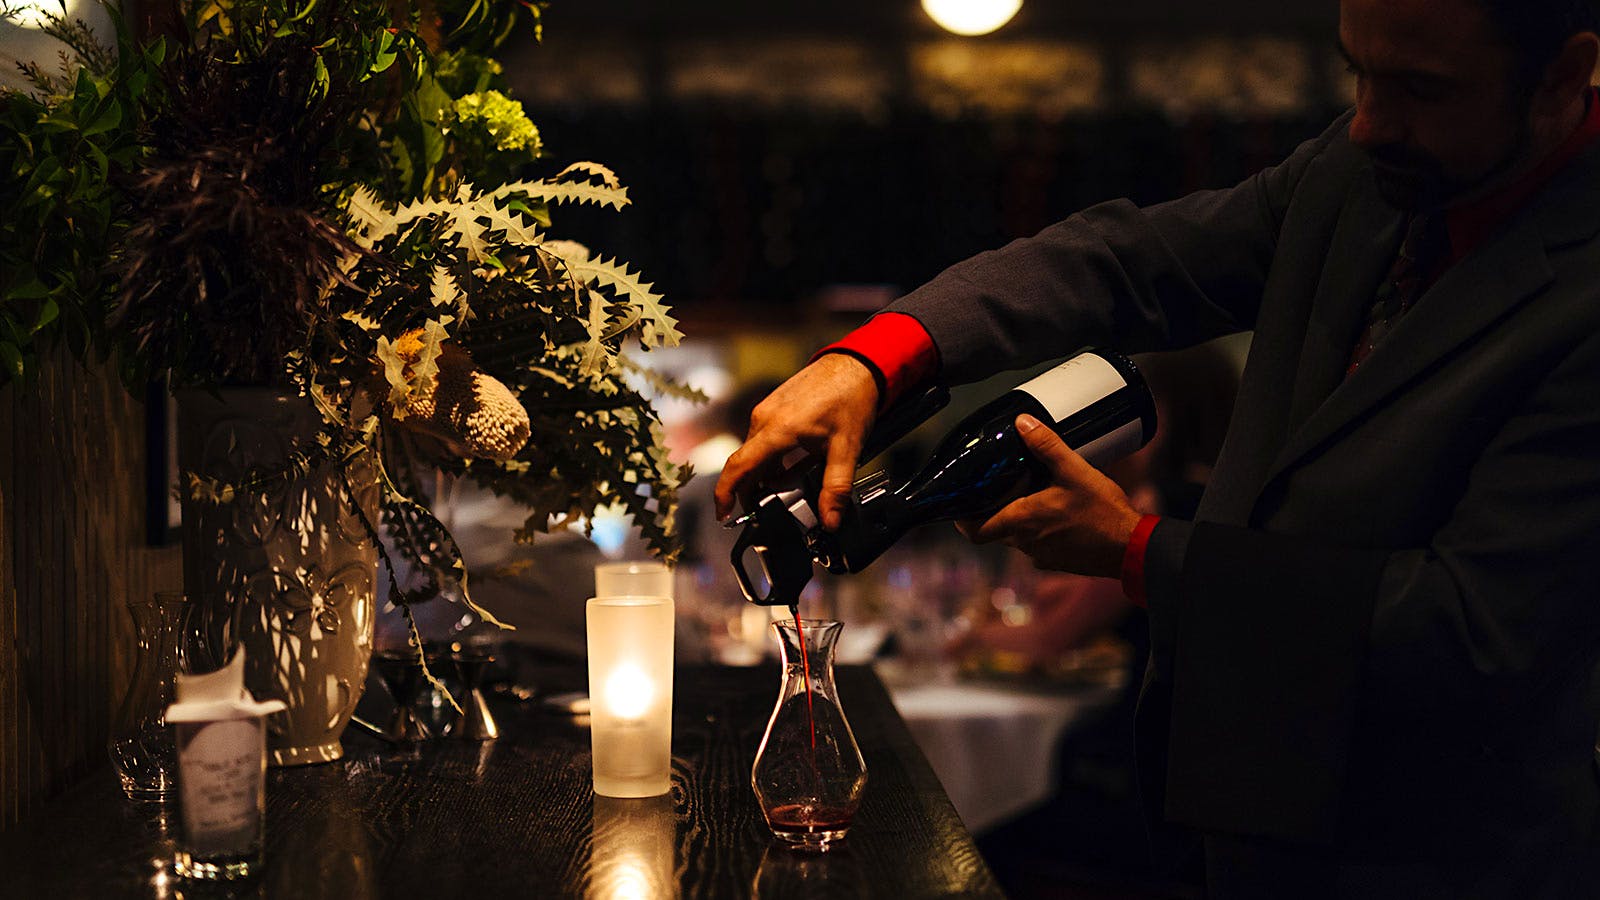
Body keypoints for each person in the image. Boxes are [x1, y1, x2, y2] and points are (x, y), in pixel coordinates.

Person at [716, 0, 1600, 895]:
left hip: (1441, 854)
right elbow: (1125, 260)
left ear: (1566, 75)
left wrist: (1141, 553)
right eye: (1356, 71)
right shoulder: (1361, 173)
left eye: (1420, 87)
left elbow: (1474, 630)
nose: (1368, 121)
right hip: (1235, 822)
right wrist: (876, 359)